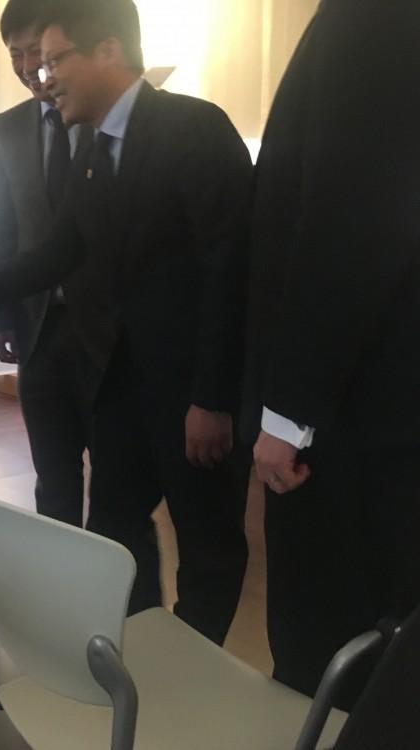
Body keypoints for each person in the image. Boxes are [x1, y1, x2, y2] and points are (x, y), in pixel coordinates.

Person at [0, 0, 251, 645]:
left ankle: (193, 671)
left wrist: (212, 399)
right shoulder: (93, 150)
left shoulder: (193, 128)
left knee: (207, 542)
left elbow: (230, 272)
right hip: (119, 386)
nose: (44, 77)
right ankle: (139, 653)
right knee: (115, 532)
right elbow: (59, 251)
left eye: (55, 60)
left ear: (109, 51)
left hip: (190, 393)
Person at [244, 0, 420, 700]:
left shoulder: (374, 13)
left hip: (356, 411)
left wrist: (288, 415)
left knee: (328, 643)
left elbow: (350, 221)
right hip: (377, 393)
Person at [0, 0, 98, 528]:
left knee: (120, 483)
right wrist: (1, 315)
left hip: (110, 330)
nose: (28, 67)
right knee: (53, 477)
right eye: (15, 54)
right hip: (38, 328)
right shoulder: (7, 128)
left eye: (37, 51)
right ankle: (59, 574)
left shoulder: (106, 118)